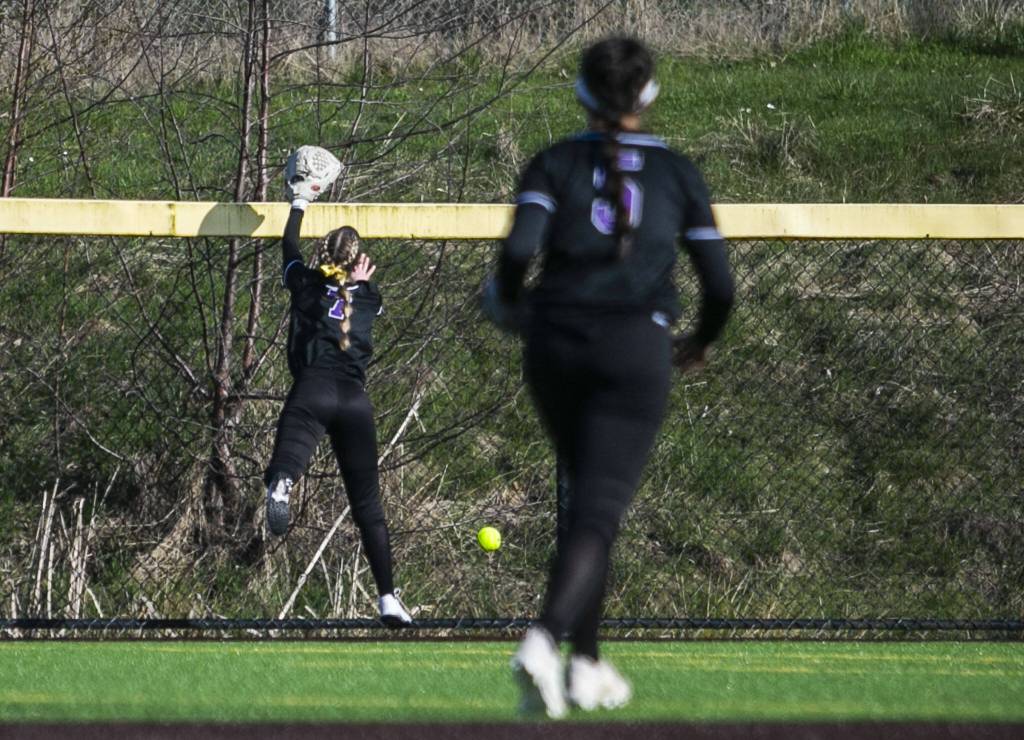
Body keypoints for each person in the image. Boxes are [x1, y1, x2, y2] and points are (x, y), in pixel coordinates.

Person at [482, 37, 734, 716]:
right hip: (634, 345)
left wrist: (511, 304)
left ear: (582, 95)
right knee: (598, 509)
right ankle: (544, 641)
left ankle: (585, 666)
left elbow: (516, 252)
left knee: (585, 502)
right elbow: (720, 287)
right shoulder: (676, 172)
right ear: (647, 96)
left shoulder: (554, 161)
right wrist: (700, 341)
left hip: (555, 341)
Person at [264, 149, 412, 627]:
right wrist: (359, 281)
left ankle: (282, 484)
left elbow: (287, 246)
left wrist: (299, 203)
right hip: (355, 400)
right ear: (359, 263)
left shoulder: (306, 284)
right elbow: (358, 296)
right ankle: (388, 597)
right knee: (367, 502)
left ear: (322, 257)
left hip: (314, 389)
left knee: (290, 456)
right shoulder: (369, 298)